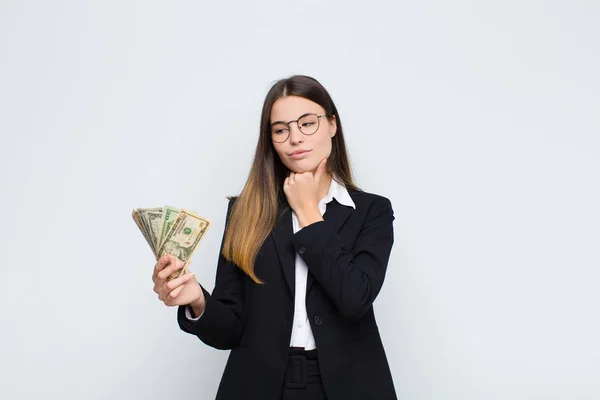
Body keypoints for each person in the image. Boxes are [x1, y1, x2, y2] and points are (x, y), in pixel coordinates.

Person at [152, 75, 397, 400]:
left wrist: (309, 213)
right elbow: (231, 330)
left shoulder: (371, 211)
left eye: (308, 123)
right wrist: (197, 300)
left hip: (349, 385)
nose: (295, 138)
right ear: (271, 140)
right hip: (259, 385)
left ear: (332, 125)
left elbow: (355, 300)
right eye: (281, 129)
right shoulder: (245, 211)